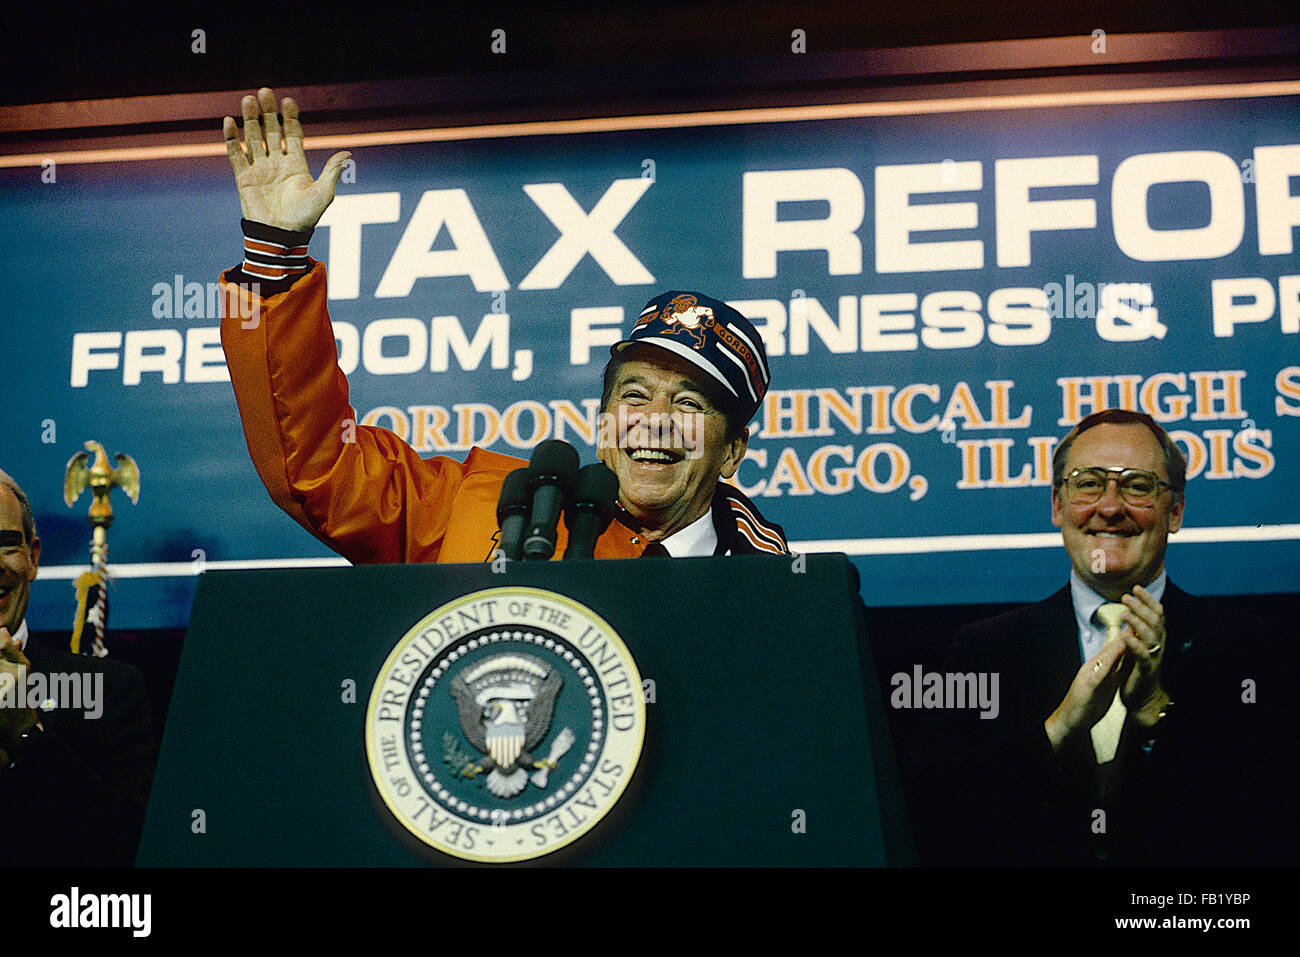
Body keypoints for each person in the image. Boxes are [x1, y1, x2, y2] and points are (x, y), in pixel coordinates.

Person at [219, 88, 788, 562]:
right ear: (603, 423)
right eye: (634, 396)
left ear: (733, 451)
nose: (654, 423)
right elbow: (323, 471)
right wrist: (275, 255)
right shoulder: (489, 508)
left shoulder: (777, 594)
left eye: (688, 405)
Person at [904, 409, 1296, 866]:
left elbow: (1275, 819)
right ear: (1057, 506)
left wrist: (1154, 711)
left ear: (1175, 512)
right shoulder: (980, 651)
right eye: (1088, 483)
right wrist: (1059, 728)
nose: (1109, 508)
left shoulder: (1254, 649)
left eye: (1137, 486)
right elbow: (923, 810)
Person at [0, 469, 155, 867]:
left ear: (32, 558)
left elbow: (124, 846)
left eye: (5, 545)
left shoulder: (108, 690)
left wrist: (24, 733)